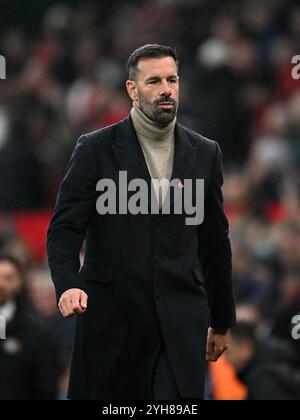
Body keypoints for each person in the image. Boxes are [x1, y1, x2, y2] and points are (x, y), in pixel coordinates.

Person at [47, 44, 236, 400]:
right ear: (132, 90)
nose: (166, 89)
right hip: (111, 325)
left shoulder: (205, 152)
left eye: (172, 79)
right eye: (154, 81)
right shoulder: (94, 149)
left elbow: (215, 242)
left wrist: (222, 320)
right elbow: (64, 229)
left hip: (179, 327)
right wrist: (68, 284)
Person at [0, 255, 60, 400]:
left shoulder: (36, 332)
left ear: (19, 282)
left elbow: (47, 384)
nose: (1, 284)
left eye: (8, 278)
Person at [225, 322, 300, 400]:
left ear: (245, 347)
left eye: (229, 353)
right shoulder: (277, 359)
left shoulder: (263, 379)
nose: (226, 359)